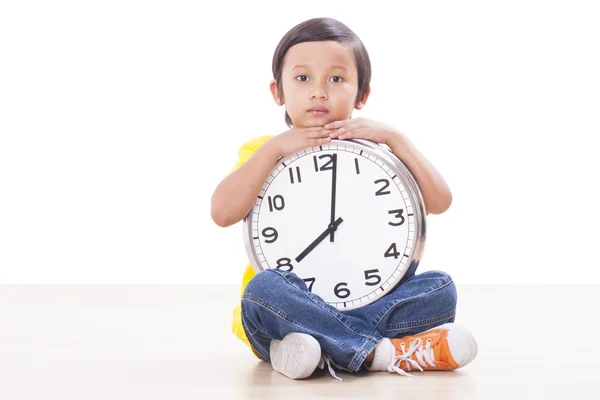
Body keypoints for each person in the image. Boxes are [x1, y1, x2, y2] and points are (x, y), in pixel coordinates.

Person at [211, 17, 478, 381]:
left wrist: (396, 139)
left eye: (336, 79)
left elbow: (440, 201)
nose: (319, 91)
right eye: (303, 78)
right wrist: (274, 149)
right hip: (279, 316)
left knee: (439, 288)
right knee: (264, 290)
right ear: (278, 92)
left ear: (362, 94)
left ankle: (321, 348)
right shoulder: (262, 151)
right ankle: (382, 353)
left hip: (364, 306)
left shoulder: (381, 152)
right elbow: (222, 212)